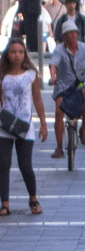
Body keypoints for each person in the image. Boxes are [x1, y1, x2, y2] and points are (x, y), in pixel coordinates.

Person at [0, 38, 45, 214]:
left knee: (25, 164)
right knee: (3, 164)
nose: (17, 55)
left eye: (20, 52)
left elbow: (37, 100)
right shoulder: (2, 75)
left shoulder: (31, 75)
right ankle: (5, 203)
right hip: (4, 126)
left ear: (24, 54)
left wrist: (43, 123)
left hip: (25, 125)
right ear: (7, 54)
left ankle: (33, 199)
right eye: (13, 52)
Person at [48, 19, 85, 157]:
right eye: (68, 33)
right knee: (59, 112)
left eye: (73, 33)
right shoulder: (59, 50)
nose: (71, 36)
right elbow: (53, 64)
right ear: (64, 36)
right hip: (63, 83)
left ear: (77, 34)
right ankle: (59, 147)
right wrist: (53, 76)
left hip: (80, 82)